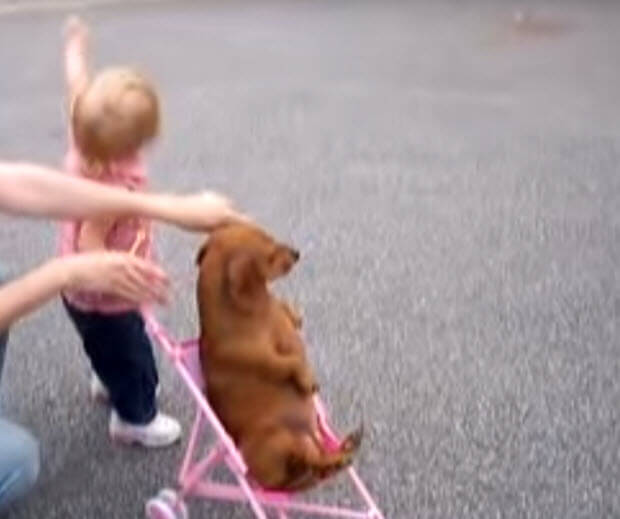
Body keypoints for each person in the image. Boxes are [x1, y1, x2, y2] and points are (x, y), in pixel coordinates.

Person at [0, 160, 246, 512]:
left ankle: (121, 394)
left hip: (94, 309)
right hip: (108, 310)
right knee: (20, 459)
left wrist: (165, 208)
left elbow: (16, 184)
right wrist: (66, 273)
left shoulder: (106, 171)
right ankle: (135, 420)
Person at [57, 16, 195, 448]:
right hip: (104, 296)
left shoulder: (85, 130)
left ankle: (107, 378)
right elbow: (89, 246)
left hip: (77, 294)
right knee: (134, 358)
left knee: (106, 347)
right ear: (134, 144)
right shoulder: (112, 185)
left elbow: (77, 82)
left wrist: (76, 47)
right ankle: (133, 418)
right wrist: (133, 277)